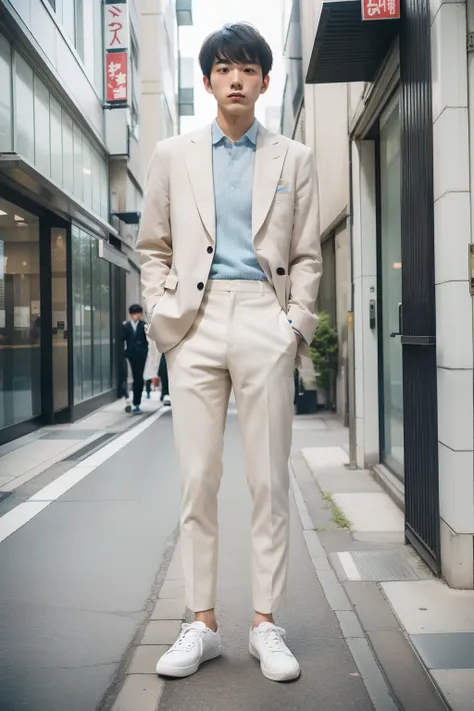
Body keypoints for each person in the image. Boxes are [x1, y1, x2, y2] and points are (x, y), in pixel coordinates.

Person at [136, 23, 321, 682]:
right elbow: (153, 246)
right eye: (223, 67)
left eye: (247, 68)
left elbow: (306, 254)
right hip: (196, 322)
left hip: (264, 319)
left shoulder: (293, 158)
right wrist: (165, 323)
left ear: (265, 81)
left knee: (269, 479)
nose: (235, 78)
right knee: (199, 479)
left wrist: (293, 326)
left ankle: (266, 622)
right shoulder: (172, 154)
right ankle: (202, 622)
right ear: (209, 78)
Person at [121, 304, 149, 414]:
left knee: (138, 378)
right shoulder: (126, 326)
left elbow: (148, 340)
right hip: (130, 355)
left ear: (141, 314)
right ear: (130, 315)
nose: (136, 316)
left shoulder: (143, 325)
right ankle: (127, 399)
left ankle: (136, 403)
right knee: (127, 377)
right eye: (134, 314)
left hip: (141, 355)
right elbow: (121, 338)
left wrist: (145, 352)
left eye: (138, 313)